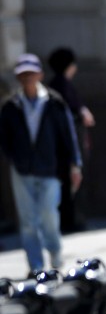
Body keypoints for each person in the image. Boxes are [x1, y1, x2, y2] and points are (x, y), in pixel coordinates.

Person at [0, 53, 82, 275]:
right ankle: (36, 266)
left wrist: (75, 164)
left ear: (40, 75)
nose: (27, 78)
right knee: (27, 220)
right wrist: (14, 158)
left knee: (48, 215)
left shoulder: (54, 102)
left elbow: (68, 134)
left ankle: (55, 254)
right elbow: (4, 137)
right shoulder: (10, 106)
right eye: (23, 74)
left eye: (31, 73)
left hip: (49, 168)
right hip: (22, 169)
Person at [47, 47, 94, 233]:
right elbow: (70, 114)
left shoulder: (61, 84)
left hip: (67, 142)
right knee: (70, 182)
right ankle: (70, 220)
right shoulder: (60, 85)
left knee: (71, 182)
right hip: (67, 143)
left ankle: (73, 218)